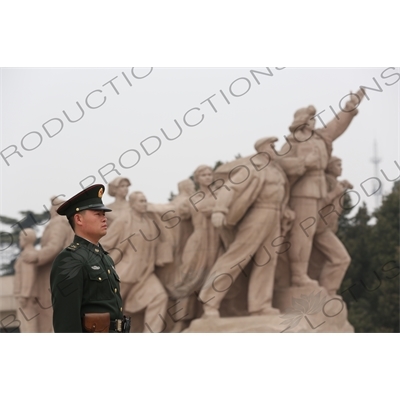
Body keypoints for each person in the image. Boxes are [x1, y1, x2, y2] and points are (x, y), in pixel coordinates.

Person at [197, 137, 293, 318]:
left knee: (267, 260)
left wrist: (285, 210)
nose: (275, 149)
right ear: (262, 149)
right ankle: (210, 302)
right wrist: (220, 209)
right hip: (258, 215)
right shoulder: (252, 168)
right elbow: (230, 187)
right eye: (272, 146)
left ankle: (260, 306)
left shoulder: (277, 170)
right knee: (236, 257)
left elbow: (280, 193)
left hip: (275, 217)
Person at [278, 89, 364, 287]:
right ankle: (298, 275)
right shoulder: (293, 141)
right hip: (303, 193)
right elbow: (280, 163)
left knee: (313, 233)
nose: (312, 121)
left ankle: (316, 282)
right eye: (309, 118)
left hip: (319, 191)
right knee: (303, 234)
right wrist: (304, 162)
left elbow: (336, 126)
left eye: (314, 118)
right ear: (301, 120)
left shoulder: (320, 138)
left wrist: (348, 109)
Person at [50, 184, 129, 333]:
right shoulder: (70, 259)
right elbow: (66, 321)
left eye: (104, 214)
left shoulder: (105, 258)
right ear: (78, 219)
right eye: (97, 214)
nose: (104, 218)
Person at [100, 191, 173, 333]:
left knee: (159, 297)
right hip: (124, 274)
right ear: (132, 204)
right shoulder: (123, 221)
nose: (144, 204)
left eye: (145, 201)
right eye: (141, 201)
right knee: (109, 309)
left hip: (145, 274)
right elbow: (106, 243)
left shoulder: (150, 222)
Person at [22, 196, 75, 332]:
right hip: (65, 273)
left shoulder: (58, 222)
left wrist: (36, 256)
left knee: (48, 314)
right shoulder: (69, 222)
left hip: (52, 274)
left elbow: (54, 247)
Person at [307, 156, 352, 295]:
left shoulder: (333, 182)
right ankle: (327, 292)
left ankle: (321, 292)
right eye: (338, 165)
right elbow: (319, 202)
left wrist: (342, 187)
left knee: (317, 264)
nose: (341, 168)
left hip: (327, 229)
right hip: (320, 229)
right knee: (341, 258)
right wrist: (335, 193)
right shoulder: (324, 182)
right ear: (330, 166)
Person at [13, 229, 40, 333]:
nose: (19, 240)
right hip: (25, 296)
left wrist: (24, 295)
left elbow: (29, 276)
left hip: (26, 298)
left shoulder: (27, 255)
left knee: (28, 325)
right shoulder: (28, 253)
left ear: (25, 239)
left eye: (20, 238)